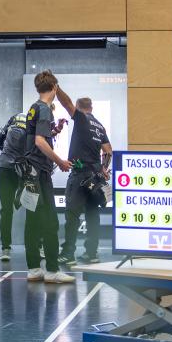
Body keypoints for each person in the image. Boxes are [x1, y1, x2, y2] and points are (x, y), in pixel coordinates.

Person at [22, 71, 75, 284]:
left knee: (32, 222)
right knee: (51, 223)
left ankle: (34, 269)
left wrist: (52, 133)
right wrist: (60, 161)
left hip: (28, 174)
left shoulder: (33, 108)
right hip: (40, 174)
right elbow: (39, 141)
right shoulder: (45, 109)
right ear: (54, 87)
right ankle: (52, 270)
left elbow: (37, 138)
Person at [54, 91, 113, 266]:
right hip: (95, 178)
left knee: (72, 215)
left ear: (79, 108)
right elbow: (108, 151)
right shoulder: (100, 126)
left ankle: (68, 254)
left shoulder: (81, 118)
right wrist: (104, 168)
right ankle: (91, 254)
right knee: (93, 215)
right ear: (91, 108)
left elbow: (66, 103)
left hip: (80, 174)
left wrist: (56, 88)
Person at [0, 112, 27, 261]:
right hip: (23, 169)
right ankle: (37, 246)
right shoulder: (32, 121)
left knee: (6, 210)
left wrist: (8, 154)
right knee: (33, 208)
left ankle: (5, 248)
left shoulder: (13, 119)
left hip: (5, 166)